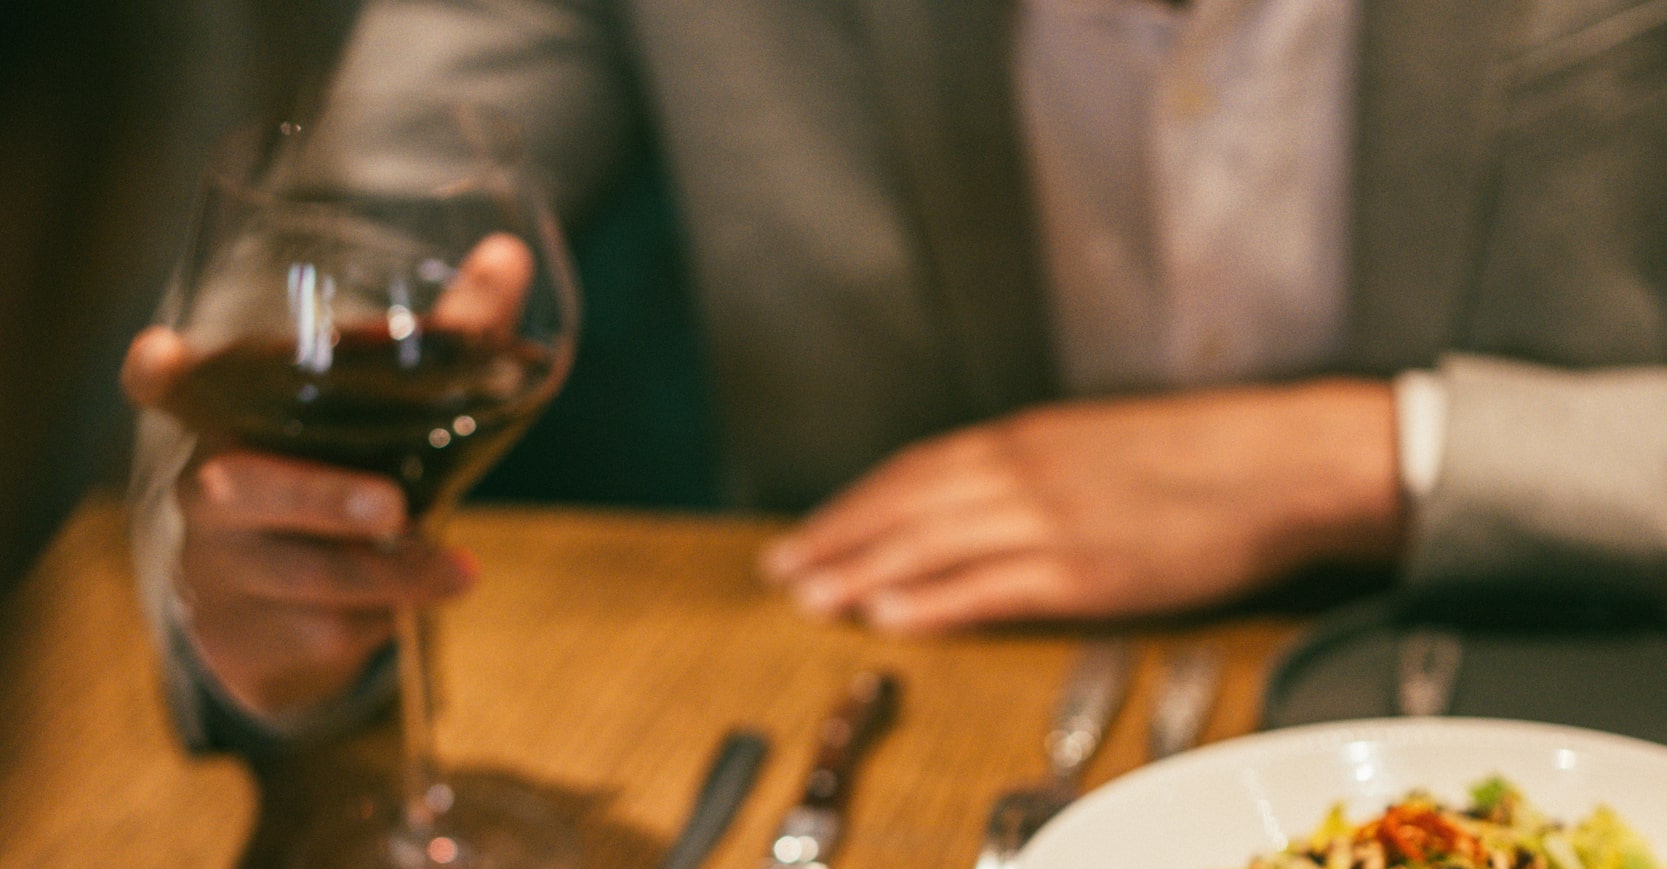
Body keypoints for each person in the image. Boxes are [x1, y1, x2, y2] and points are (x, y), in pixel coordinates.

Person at [124, 0, 1667, 748]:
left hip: (1566, 696)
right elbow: (325, 248)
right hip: (887, 710)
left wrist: (1376, 455)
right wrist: (263, 568)